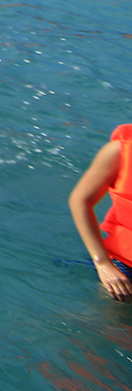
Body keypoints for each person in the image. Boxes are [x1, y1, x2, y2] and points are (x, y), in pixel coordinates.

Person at [68, 124, 132, 301]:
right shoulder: (119, 151)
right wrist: (103, 264)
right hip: (122, 269)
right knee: (111, 322)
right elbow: (80, 199)